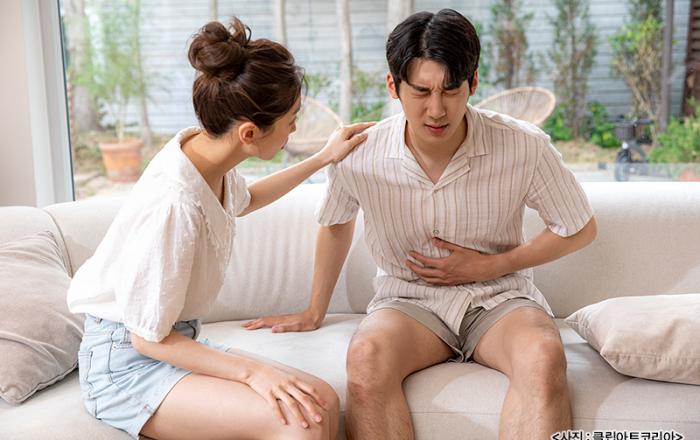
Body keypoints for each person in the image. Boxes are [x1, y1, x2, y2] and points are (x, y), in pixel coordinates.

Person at [244, 9, 597, 440]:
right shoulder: (359, 154)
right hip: (408, 302)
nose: (436, 109)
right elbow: (336, 223)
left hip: (500, 299)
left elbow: (579, 227)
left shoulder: (523, 145)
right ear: (393, 86)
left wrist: (491, 265)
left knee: (543, 355)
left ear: (473, 83)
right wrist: (314, 310)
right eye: (421, 91)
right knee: (366, 356)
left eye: (451, 90)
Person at [67, 17, 373, 440]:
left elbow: (247, 199)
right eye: (291, 119)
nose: (294, 129)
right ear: (249, 133)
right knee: (305, 420)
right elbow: (146, 339)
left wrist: (324, 157)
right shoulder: (174, 205)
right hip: (125, 366)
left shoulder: (206, 152)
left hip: (173, 343)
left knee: (320, 399)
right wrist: (254, 372)